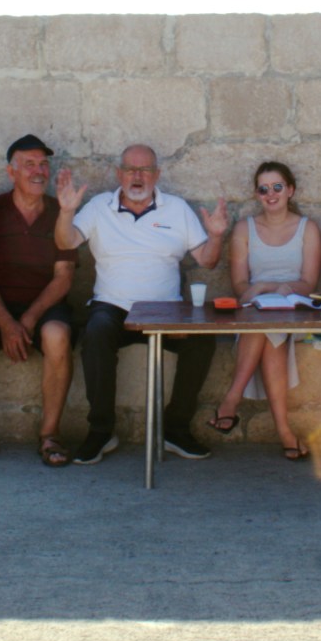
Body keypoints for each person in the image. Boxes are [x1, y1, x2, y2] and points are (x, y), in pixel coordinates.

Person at [55, 144, 229, 464]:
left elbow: (207, 260)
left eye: (145, 170)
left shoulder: (176, 209)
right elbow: (65, 242)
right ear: (119, 174)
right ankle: (101, 431)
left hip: (166, 312)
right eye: (131, 170)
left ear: (157, 175)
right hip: (112, 306)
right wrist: (66, 212)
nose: (138, 176)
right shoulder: (98, 207)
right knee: (95, 333)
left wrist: (216, 235)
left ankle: (175, 429)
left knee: (202, 340)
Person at [0, 135, 78, 468]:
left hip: (44, 307)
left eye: (43, 164)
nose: (38, 171)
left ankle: (50, 435)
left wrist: (30, 319)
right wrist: (6, 323)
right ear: (11, 172)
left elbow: (64, 276)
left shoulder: (58, 211)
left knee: (57, 335)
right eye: (29, 164)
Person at [209, 162, 321, 460]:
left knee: (266, 326)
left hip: (294, 309)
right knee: (265, 327)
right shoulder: (244, 228)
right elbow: (239, 286)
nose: (270, 194)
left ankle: (231, 401)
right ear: (256, 194)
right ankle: (286, 433)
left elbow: (309, 284)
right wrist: (265, 289)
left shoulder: (307, 228)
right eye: (263, 189)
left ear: (290, 190)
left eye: (277, 187)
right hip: (255, 307)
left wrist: (273, 287)